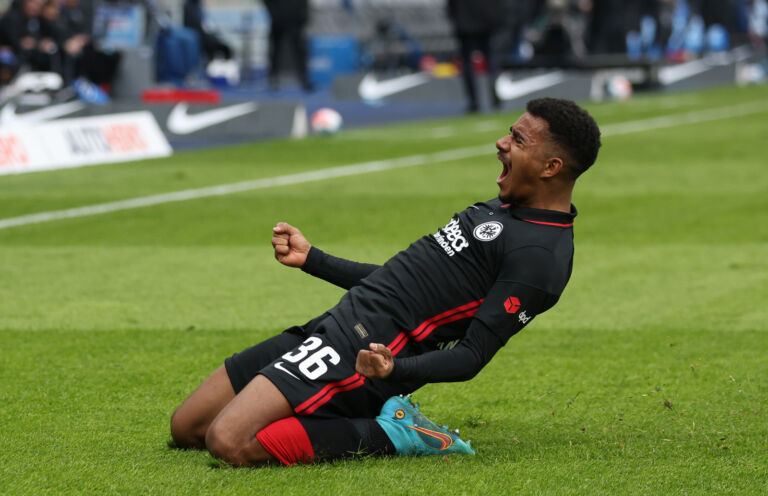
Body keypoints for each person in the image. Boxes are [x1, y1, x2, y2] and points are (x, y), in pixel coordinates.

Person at [170, 98, 602, 467]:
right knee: (188, 427)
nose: (501, 143)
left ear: (551, 167)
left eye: (518, 140)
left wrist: (395, 370)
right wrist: (314, 260)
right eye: (510, 132)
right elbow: (398, 283)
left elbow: (472, 355)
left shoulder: (541, 258)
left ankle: (395, 433)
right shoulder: (506, 206)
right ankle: (335, 414)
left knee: (229, 440)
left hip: (366, 350)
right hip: (337, 322)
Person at [447, 0, 503, 113]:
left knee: (467, 62)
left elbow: (451, 5)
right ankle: (493, 84)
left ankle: (473, 100)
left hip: (465, 22)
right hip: (486, 20)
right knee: (490, 58)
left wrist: (455, 18)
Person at [263, 0, 312, 91]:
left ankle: (304, 79)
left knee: (299, 51)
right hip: (278, 22)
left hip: (295, 22)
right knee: (275, 51)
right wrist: (274, 15)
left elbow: (303, 2)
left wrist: (303, 18)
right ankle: (273, 78)